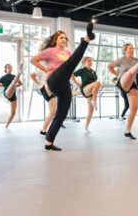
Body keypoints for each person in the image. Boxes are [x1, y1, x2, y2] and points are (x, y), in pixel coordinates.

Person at [31, 22, 95, 151]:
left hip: (64, 84)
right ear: (55, 40)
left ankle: (49, 141)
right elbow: (33, 59)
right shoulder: (50, 51)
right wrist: (45, 69)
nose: (64, 39)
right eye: (61, 37)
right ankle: (86, 39)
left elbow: (71, 65)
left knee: (62, 114)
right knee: (70, 62)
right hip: (53, 80)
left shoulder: (68, 52)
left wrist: (76, 83)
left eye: (65, 38)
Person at [108, 43, 138, 140]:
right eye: (130, 48)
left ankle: (127, 131)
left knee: (134, 108)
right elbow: (109, 66)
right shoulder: (121, 60)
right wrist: (117, 74)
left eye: (133, 48)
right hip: (122, 81)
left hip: (132, 84)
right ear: (125, 50)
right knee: (130, 71)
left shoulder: (136, 60)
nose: (132, 50)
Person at [72, 56, 101, 133]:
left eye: (91, 61)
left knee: (90, 111)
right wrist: (77, 83)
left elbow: (94, 83)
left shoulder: (93, 71)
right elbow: (72, 75)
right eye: (88, 61)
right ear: (84, 62)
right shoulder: (82, 70)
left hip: (91, 92)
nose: (90, 62)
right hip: (85, 88)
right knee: (98, 83)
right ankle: (94, 100)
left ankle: (86, 127)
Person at [0, 63, 23, 131]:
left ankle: (6, 126)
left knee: (13, 112)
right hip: (7, 93)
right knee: (13, 83)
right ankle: (20, 73)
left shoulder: (13, 76)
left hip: (13, 95)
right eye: (9, 67)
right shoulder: (4, 77)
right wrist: (3, 86)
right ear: (5, 69)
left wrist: (15, 86)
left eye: (11, 67)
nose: (10, 68)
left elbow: (21, 83)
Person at [30, 68, 60, 135]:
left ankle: (43, 130)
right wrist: (39, 83)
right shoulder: (42, 70)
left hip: (52, 90)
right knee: (52, 112)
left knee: (52, 112)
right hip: (45, 88)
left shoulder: (54, 70)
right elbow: (31, 75)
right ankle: (44, 130)